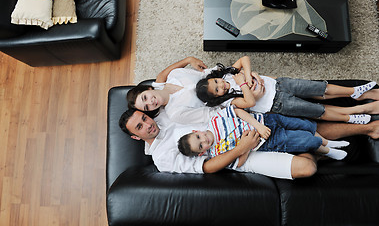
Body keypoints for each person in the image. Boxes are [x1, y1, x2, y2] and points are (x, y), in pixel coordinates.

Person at [119, 108, 379, 179]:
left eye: (144, 118)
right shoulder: (162, 157)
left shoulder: (164, 116)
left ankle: (368, 128)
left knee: (304, 124)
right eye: (140, 127)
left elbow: (162, 86)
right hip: (238, 155)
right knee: (307, 169)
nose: (148, 124)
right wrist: (241, 150)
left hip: (240, 124)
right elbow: (206, 168)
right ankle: (314, 150)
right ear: (135, 136)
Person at [195, 56, 379, 124]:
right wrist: (243, 84)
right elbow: (250, 102)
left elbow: (244, 59)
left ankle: (352, 91)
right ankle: (349, 117)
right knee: (316, 110)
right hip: (278, 103)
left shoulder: (228, 75)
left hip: (280, 84)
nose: (222, 86)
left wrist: (250, 75)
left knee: (319, 88)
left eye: (217, 82)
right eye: (218, 90)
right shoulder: (229, 101)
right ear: (217, 98)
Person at [177, 106, 349, 171]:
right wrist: (246, 147)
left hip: (266, 121)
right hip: (269, 141)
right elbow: (238, 163)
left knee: (306, 125)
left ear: (196, 130)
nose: (204, 140)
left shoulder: (215, 120)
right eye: (200, 145)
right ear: (202, 153)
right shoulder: (216, 152)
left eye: (198, 136)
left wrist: (258, 125)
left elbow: (238, 112)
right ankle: (329, 151)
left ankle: (329, 142)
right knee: (305, 140)